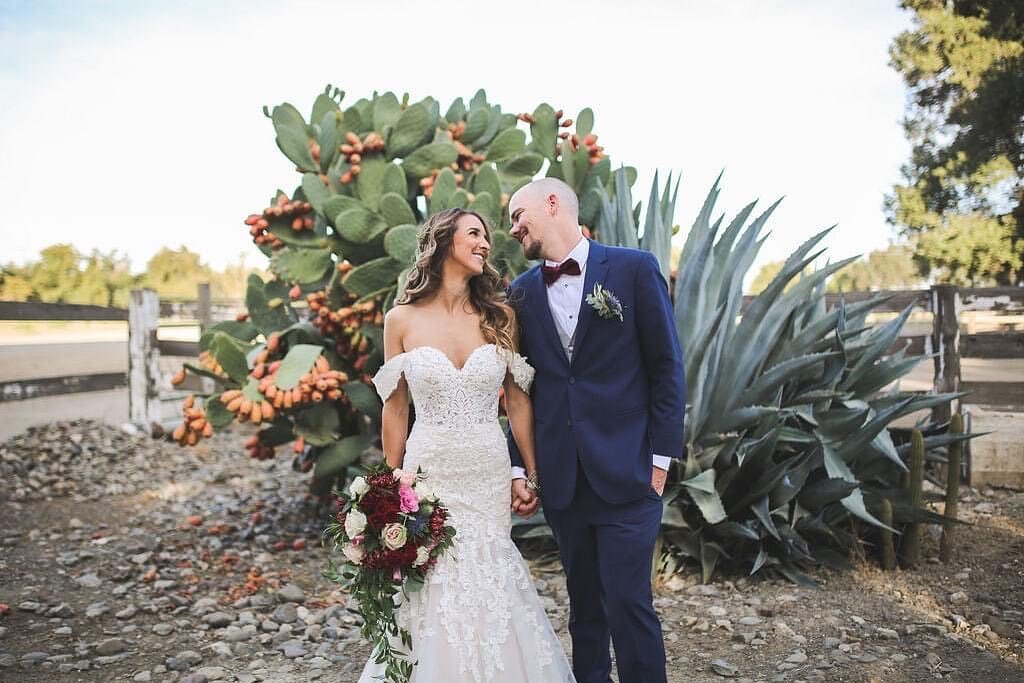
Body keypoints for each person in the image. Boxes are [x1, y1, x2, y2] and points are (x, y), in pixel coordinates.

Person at [359, 208, 574, 682]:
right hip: (429, 467)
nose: (484, 243)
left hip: (486, 468)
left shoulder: (500, 316)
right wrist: (391, 484)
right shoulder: (401, 319)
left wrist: (530, 474)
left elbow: (518, 403)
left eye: (486, 237)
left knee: (489, 570)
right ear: (443, 242)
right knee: (430, 576)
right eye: (473, 234)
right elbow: (395, 409)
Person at [507, 178, 687, 683]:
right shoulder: (518, 294)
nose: (514, 228)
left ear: (552, 203)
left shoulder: (632, 269)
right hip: (565, 480)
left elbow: (666, 367)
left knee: (630, 605)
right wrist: (523, 465)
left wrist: (660, 461)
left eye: (519, 215)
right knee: (585, 611)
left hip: (629, 470)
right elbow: (519, 389)